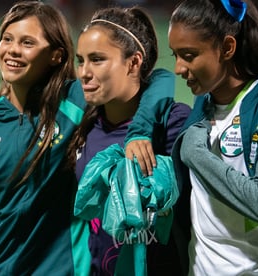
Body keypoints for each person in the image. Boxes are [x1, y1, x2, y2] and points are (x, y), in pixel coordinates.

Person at [0, 1, 177, 275]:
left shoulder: (76, 102)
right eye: (7, 39)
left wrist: (139, 131)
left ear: (56, 55)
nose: (12, 50)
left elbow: (157, 79)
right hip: (0, 269)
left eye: (27, 42)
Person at [168, 0, 258, 275]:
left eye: (188, 55)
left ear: (227, 48)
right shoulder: (203, 102)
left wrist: (196, 155)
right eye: (175, 54)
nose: (178, 68)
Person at [66, 6, 191, 275]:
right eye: (80, 60)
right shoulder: (83, 126)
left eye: (97, 59)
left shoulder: (174, 123)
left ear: (133, 63)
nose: (84, 72)